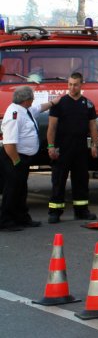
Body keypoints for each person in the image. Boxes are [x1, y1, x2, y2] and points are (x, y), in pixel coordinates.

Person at [46, 72, 98, 223]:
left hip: (80, 148)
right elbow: (52, 127)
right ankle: (54, 212)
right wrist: (50, 146)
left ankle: (81, 211)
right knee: (58, 180)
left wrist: (95, 145)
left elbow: (93, 126)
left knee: (81, 180)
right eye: (69, 84)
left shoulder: (88, 104)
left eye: (75, 84)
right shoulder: (59, 103)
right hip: (62, 148)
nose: (72, 87)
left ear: (81, 85)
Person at [1, 85, 53, 230]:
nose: (33, 100)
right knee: (12, 190)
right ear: (26, 100)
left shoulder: (26, 110)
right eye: (32, 98)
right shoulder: (14, 114)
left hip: (22, 158)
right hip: (14, 158)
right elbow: (9, 144)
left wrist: (53, 103)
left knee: (21, 190)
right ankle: (5, 221)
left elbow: (39, 108)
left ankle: (21, 218)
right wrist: (17, 162)